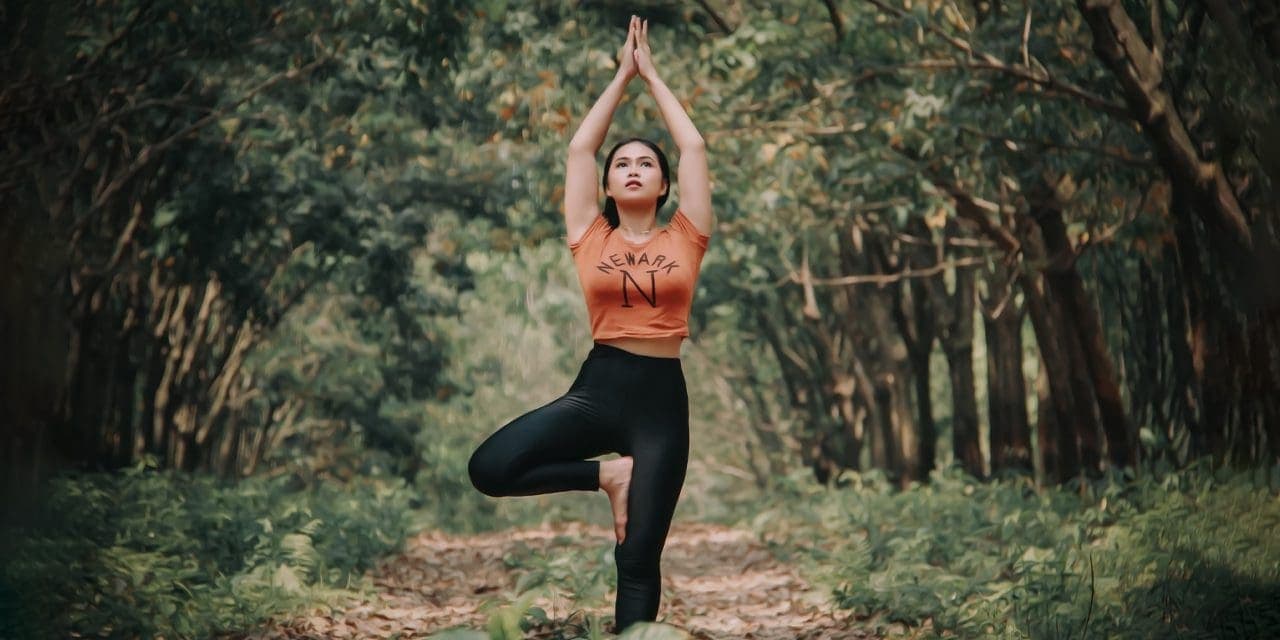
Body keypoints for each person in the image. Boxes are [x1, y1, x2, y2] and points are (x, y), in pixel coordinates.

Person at [467, 15, 714, 634]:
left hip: (662, 402)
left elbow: (695, 148)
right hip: (599, 389)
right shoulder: (589, 236)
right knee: (491, 469)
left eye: (645, 165)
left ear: (662, 187)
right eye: (622, 163)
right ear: (607, 184)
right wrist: (621, 76)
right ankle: (609, 475)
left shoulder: (686, 237)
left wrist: (653, 77)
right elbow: (579, 148)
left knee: (637, 558)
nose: (632, 168)